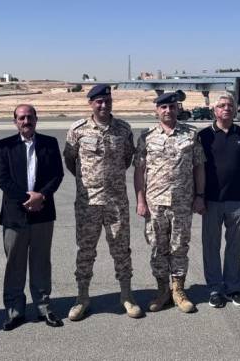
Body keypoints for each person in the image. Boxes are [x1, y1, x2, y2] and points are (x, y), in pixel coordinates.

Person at [63, 84, 143, 321]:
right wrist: (88, 181)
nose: (104, 105)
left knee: (121, 250)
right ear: (91, 103)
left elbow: (126, 159)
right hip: (88, 203)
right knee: (85, 250)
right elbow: (70, 160)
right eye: (99, 101)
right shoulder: (77, 130)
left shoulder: (123, 129)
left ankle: (126, 296)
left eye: (107, 101)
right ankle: (82, 298)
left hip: (116, 202)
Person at [134, 92, 205, 314]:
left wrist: (200, 195)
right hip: (155, 203)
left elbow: (199, 167)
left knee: (179, 247)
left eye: (172, 107)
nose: (168, 111)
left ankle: (178, 291)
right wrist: (140, 200)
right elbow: (139, 171)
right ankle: (162, 290)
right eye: (163, 107)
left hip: (182, 202)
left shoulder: (191, 135)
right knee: (158, 247)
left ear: (177, 108)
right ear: (157, 110)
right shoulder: (146, 137)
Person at [0, 104, 64, 330]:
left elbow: (57, 174)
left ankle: (44, 307)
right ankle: (14, 310)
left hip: (43, 212)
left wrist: (41, 196)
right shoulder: (3, 146)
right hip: (15, 214)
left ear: (36, 119)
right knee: (14, 263)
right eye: (22, 118)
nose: (26, 121)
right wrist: (27, 198)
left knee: (41, 262)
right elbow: (2, 178)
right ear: (15, 121)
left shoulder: (50, 143)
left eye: (30, 117)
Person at [197, 93, 240, 308]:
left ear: (235, 109)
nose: (226, 108)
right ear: (214, 110)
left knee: (234, 247)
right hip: (211, 201)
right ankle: (214, 289)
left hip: (237, 200)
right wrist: (198, 197)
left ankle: (233, 288)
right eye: (221, 105)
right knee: (211, 246)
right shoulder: (203, 136)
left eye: (230, 105)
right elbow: (198, 169)